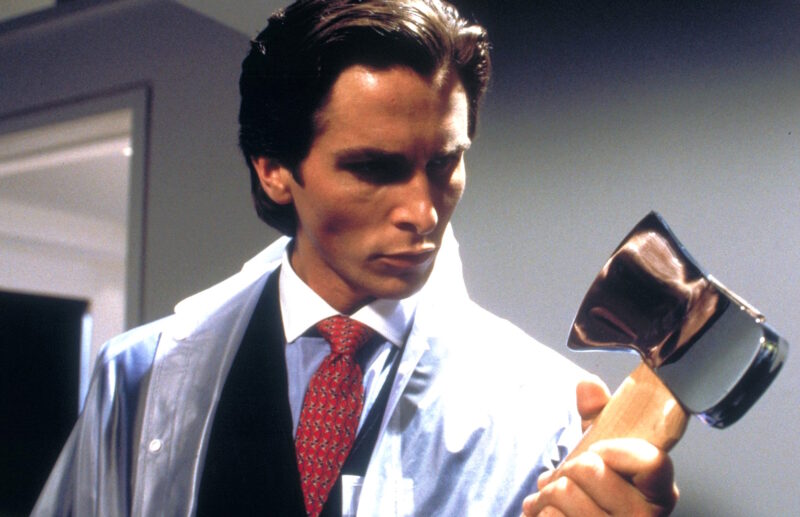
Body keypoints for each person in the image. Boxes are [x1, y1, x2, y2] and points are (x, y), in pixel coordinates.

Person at [33, 1, 678, 515]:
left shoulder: (549, 408)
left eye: (445, 163)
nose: (423, 213)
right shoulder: (140, 378)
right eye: (373, 168)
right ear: (274, 170)